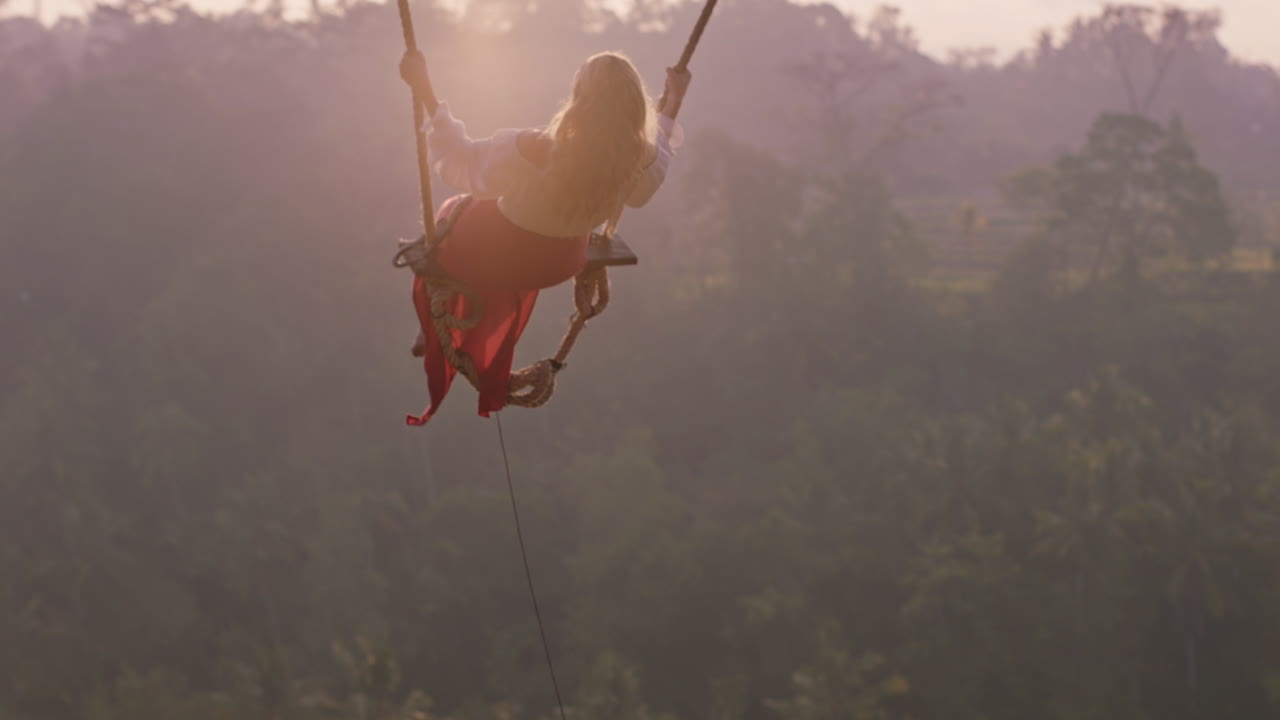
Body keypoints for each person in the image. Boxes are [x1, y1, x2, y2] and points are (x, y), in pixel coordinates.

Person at [398, 48, 691, 425]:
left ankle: (434, 324)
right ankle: (442, 327)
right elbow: (658, 163)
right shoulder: (634, 160)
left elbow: (461, 164)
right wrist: (675, 101)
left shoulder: (538, 148)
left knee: (452, 213)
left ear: (578, 98)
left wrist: (424, 88)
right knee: (478, 220)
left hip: (492, 253)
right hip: (557, 263)